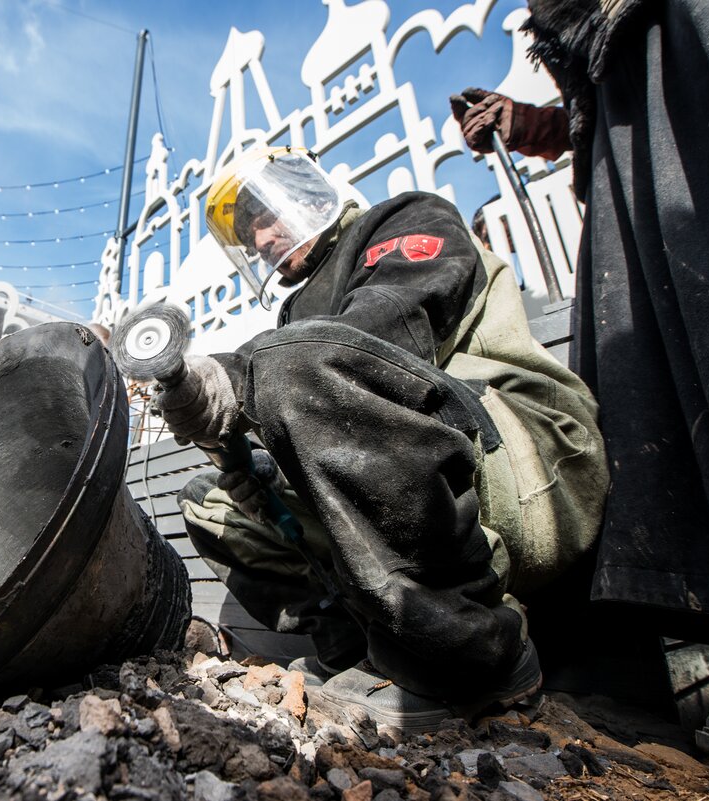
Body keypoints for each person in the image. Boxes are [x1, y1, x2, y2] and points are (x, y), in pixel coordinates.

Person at [154, 146, 608, 733]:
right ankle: (360, 650)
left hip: (530, 465)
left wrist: (234, 377)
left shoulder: (407, 219)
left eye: (264, 216)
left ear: (307, 193)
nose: (261, 239)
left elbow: (379, 334)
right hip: (438, 477)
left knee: (294, 363)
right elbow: (332, 389)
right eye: (248, 235)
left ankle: (471, 655)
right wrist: (265, 466)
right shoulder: (296, 315)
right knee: (210, 504)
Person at [450, 0, 709, 647]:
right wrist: (525, 124)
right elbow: (593, 106)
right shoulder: (609, 69)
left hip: (708, 76)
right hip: (632, 153)